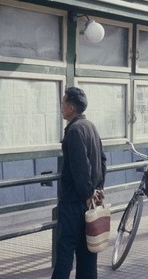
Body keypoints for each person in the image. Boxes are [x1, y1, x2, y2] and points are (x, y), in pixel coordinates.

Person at [51, 87, 107, 279]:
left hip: (75, 202)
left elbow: (80, 168)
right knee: (87, 253)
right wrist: (98, 190)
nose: (61, 107)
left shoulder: (74, 130)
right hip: (89, 201)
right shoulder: (90, 126)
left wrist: (87, 193)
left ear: (71, 108)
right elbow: (102, 160)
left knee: (65, 250)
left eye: (63, 103)